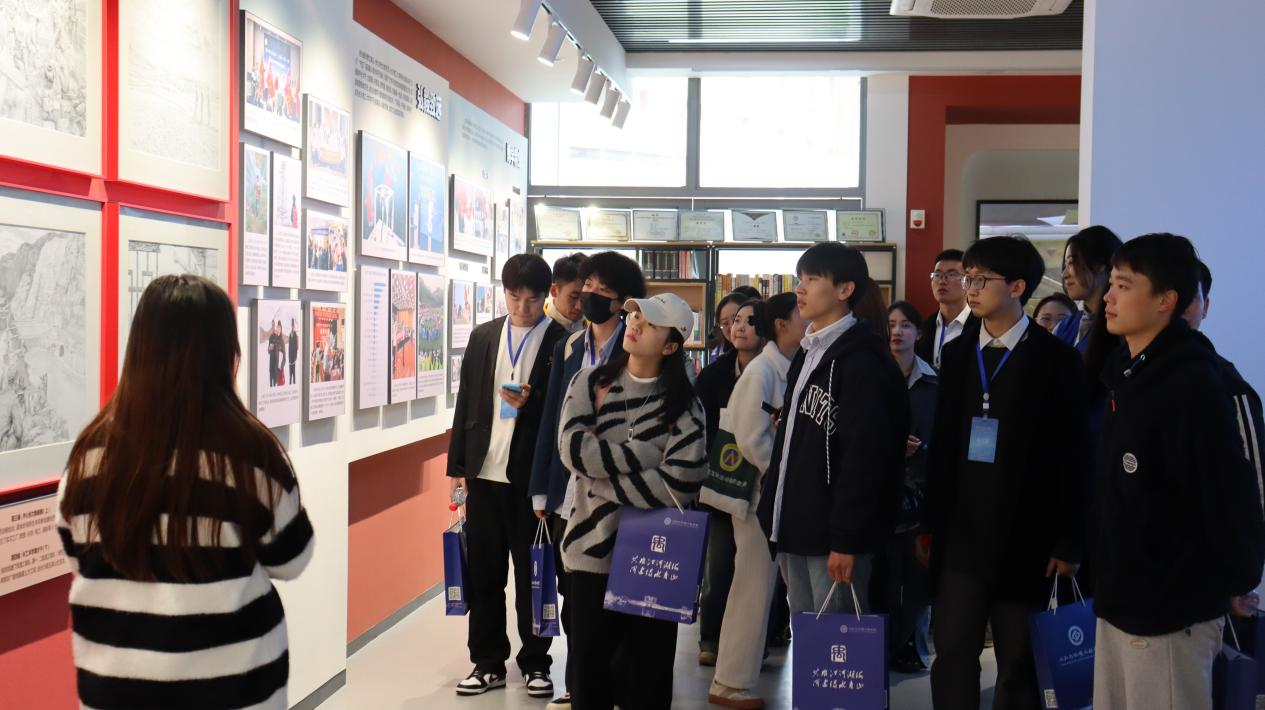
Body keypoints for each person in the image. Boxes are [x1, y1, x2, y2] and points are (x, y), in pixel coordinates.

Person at [55, 274, 314, 709]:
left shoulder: (89, 457)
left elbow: (74, 553)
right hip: (235, 690)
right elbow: (292, 558)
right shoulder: (251, 454)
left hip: (116, 692)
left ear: (139, 349)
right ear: (225, 353)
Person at [1093, 234, 1265, 710]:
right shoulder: (1125, 373)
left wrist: (1238, 579)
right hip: (1119, 597)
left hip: (1170, 610)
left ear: (1165, 300)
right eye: (1111, 284)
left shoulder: (1196, 383)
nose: (1108, 297)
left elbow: (1229, 498)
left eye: (1124, 285)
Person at [920, 235, 1089, 710]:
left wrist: (1068, 540)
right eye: (967, 278)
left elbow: (1074, 455)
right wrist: (930, 523)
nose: (970, 289)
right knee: (953, 653)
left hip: (1027, 536)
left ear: (1017, 287)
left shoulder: (1056, 360)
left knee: (1018, 662)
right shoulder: (958, 354)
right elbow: (944, 444)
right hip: (961, 535)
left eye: (981, 279)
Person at [558, 293, 708, 710]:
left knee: (648, 679)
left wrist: (603, 479)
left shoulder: (685, 404)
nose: (636, 323)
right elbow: (574, 450)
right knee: (589, 677)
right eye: (636, 314)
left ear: (671, 346)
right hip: (591, 553)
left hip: (654, 560)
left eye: (651, 322)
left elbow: (680, 482)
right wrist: (646, 455)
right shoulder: (589, 382)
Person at [757, 242, 909, 619]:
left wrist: (847, 539)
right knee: (811, 641)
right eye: (800, 278)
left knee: (838, 643)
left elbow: (865, 458)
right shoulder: (809, 351)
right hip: (796, 525)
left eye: (812, 279)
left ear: (844, 289)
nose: (800, 288)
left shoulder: (863, 361)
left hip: (834, 537)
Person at [528, 250, 646, 710]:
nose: (592, 297)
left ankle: (614, 682)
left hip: (617, 486)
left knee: (615, 595)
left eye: (603, 290)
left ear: (623, 301)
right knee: (574, 593)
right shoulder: (570, 345)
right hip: (568, 488)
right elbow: (550, 418)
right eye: (588, 287)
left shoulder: (636, 344)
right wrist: (542, 486)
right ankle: (580, 682)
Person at [447, 254, 568, 698]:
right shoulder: (483, 336)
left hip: (530, 482)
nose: (521, 308)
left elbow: (563, 415)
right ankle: (487, 662)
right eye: (514, 298)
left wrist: (531, 404)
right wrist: (458, 469)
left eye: (531, 300)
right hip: (484, 474)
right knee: (484, 574)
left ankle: (536, 663)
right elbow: (466, 403)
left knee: (533, 574)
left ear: (547, 295)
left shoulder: (562, 343)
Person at [709, 293, 805, 709]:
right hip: (758, 499)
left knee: (762, 586)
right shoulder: (763, 371)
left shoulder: (791, 366)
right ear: (781, 324)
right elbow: (750, 438)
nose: (809, 319)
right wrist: (784, 476)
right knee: (752, 586)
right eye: (801, 314)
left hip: (775, 495)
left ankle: (734, 678)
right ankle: (730, 681)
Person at [696, 296, 768, 668]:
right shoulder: (713, 375)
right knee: (719, 566)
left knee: (761, 573)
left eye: (748, 321)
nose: (738, 327)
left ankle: (764, 639)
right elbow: (700, 429)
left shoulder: (776, 371)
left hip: (762, 486)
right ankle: (710, 637)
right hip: (721, 483)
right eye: (732, 320)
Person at [1183, 261, 1265, 577]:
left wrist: (1241, 571)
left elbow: (1254, 482)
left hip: (1198, 568)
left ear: (1205, 306)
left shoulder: (1225, 382)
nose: (1176, 304)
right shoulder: (1123, 376)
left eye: (1189, 296)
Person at [876, 300, 937, 674]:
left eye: (905, 325)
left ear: (919, 332)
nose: (897, 331)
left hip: (920, 488)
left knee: (916, 577)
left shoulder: (933, 382)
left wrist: (920, 450)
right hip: (878, 487)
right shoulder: (873, 376)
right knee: (881, 574)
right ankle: (878, 645)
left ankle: (911, 645)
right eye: (891, 324)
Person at [917, 249, 975, 370]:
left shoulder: (980, 326)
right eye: (937, 275)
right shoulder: (925, 327)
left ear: (967, 281)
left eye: (952, 275)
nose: (942, 281)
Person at [710, 287, 762, 359]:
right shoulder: (718, 357)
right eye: (725, 323)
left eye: (736, 320)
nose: (732, 327)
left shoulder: (770, 358)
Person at [544, 253, 588, 334]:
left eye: (585, 297)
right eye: (573, 297)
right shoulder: (537, 324)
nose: (579, 306)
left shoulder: (594, 326)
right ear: (554, 291)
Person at [288, 319, 299, 385]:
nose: (292, 327)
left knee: (293, 372)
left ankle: (294, 383)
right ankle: (290, 383)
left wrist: (295, 357)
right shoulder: (290, 334)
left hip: (294, 356)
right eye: (291, 326)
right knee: (290, 372)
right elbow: (289, 347)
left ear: (294, 327)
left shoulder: (295, 335)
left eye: (293, 326)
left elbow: (297, 347)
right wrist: (288, 357)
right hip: (290, 357)